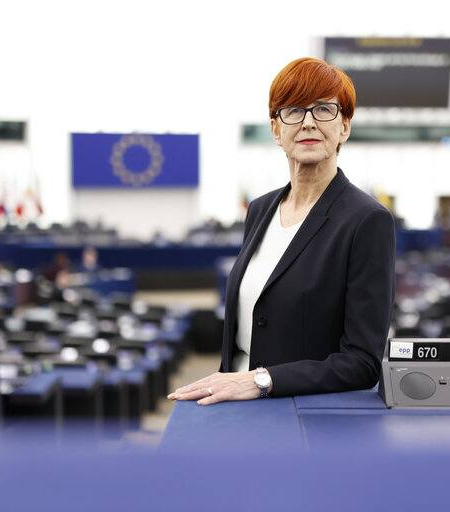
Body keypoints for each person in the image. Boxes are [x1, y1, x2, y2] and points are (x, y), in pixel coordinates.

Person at [168, 57, 395, 405]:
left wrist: (262, 380)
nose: (308, 122)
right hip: (236, 407)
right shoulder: (260, 209)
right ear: (276, 129)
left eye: (324, 109)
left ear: (344, 127)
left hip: (301, 413)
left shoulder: (367, 220)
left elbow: (362, 363)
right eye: (294, 110)